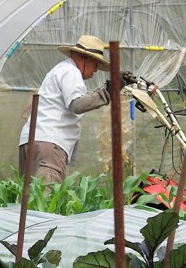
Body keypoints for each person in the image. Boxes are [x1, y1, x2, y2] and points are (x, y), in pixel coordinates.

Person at [18, 34, 116, 185]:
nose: (96, 70)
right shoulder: (71, 71)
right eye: (96, 63)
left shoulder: (60, 70)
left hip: (31, 141)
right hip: (49, 144)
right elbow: (78, 105)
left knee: (29, 198)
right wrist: (107, 92)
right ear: (84, 58)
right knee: (45, 201)